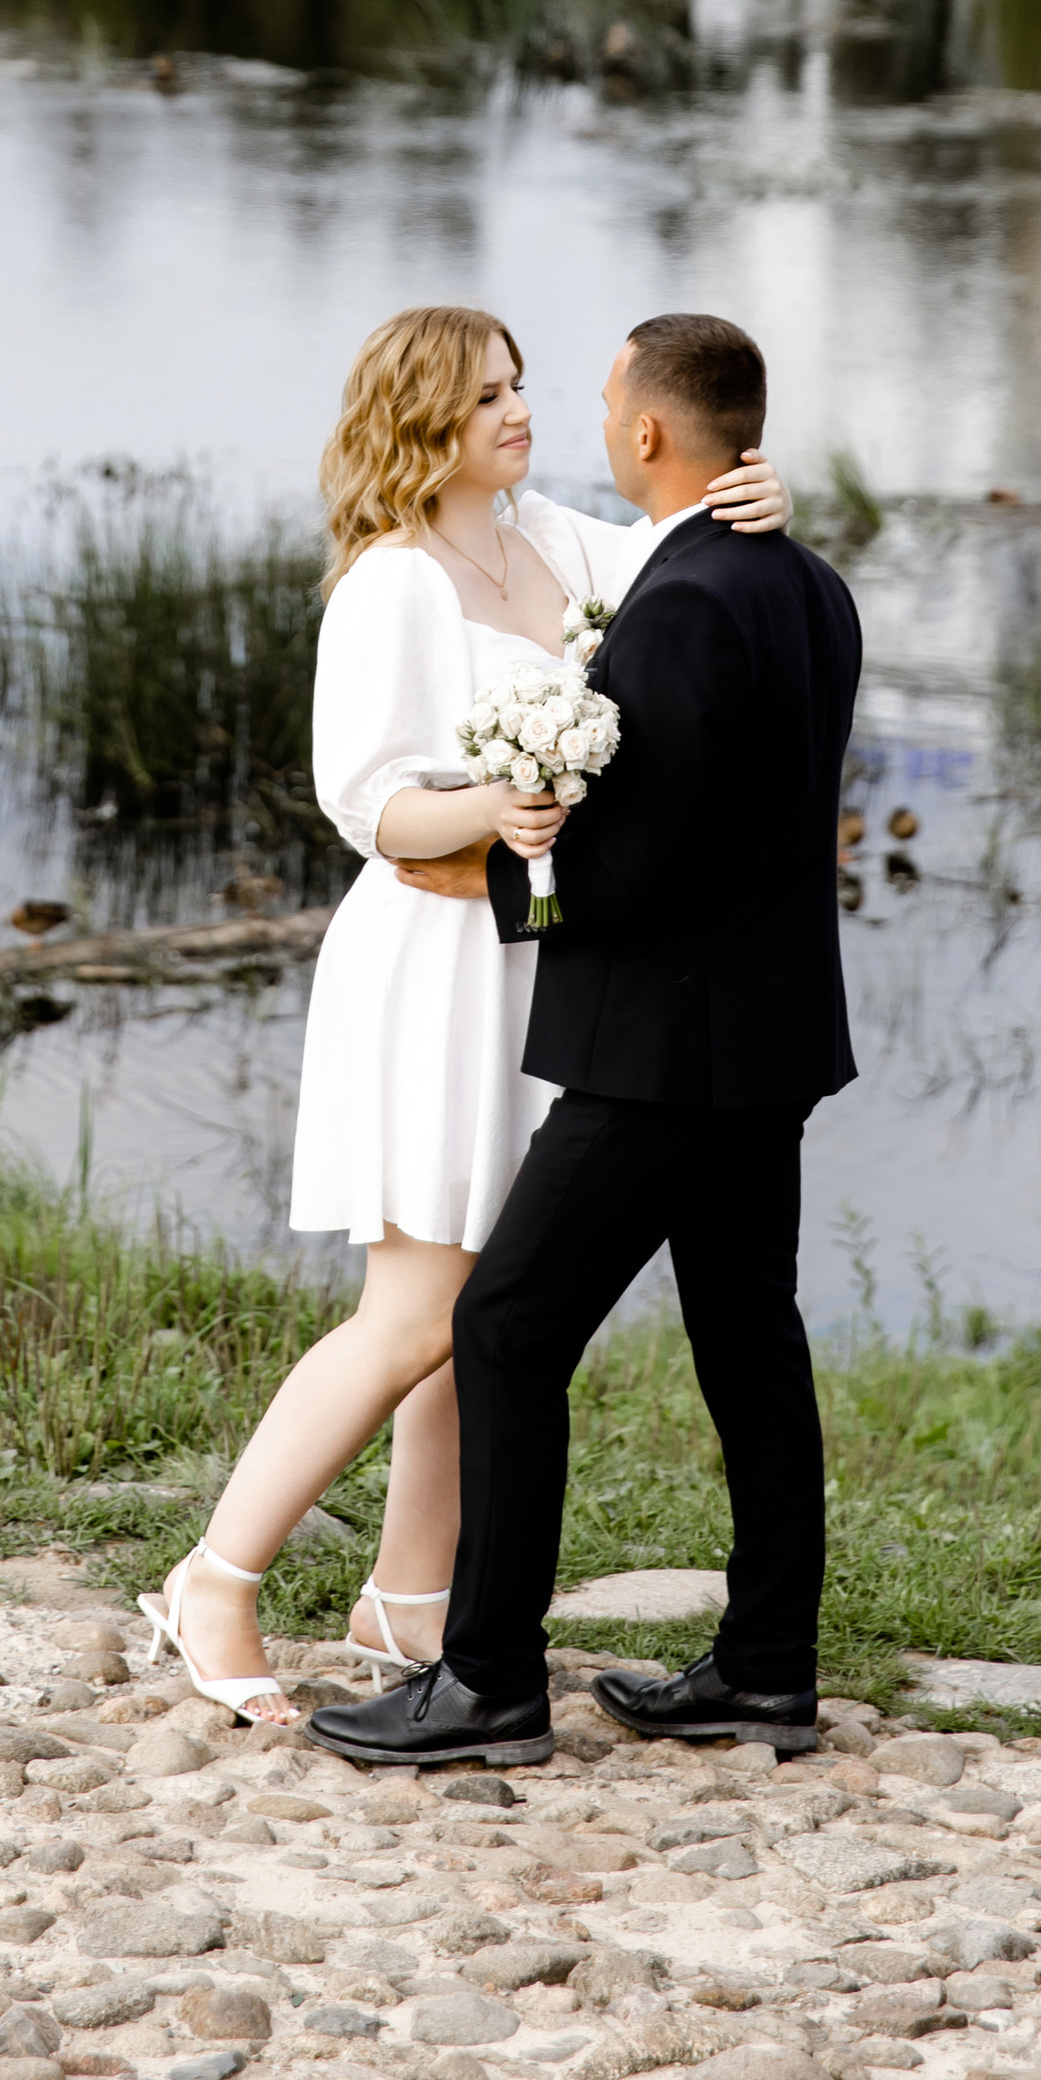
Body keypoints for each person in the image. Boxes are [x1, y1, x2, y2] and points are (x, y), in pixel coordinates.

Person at [137, 303, 790, 1724]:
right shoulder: (392, 582)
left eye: (520, 387)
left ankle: (411, 1592)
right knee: (416, 1309)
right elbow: (367, 801)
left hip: (544, 963)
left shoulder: (560, 540)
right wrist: (490, 808)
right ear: (422, 420)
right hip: (432, 963)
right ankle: (218, 1575)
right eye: (487, 396)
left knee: (496, 1296)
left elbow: (684, 570)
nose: (519, 411)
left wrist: (759, 500)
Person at [303, 310, 862, 1773]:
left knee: (504, 1328)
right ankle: (767, 1669)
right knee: (752, 1338)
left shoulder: (677, 606)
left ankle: (486, 1681)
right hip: (780, 1036)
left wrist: (489, 874)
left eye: (602, 398)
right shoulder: (805, 584)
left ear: (651, 436)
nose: (581, 418)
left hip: (664, 1052)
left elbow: (646, 857)